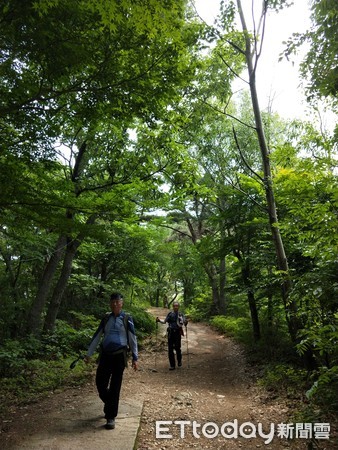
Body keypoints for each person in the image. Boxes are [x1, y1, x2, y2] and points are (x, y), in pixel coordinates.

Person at [84, 292, 138, 430]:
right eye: (113, 301)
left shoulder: (127, 318)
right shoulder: (106, 318)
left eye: (117, 301)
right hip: (105, 355)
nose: (115, 304)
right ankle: (110, 404)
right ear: (110, 303)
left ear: (122, 303)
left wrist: (135, 358)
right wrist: (89, 353)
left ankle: (110, 417)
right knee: (100, 382)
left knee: (115, 385)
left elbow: (132, 338)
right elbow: (97, 335)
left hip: (120, 356)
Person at [156, 301, 188, 370]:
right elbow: (164, 322)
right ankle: (172, 365)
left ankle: (179, 361)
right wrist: (159, 320)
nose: (176, 307)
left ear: (178, 307)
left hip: (177, 333)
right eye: (174, 306)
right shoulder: (170, 314)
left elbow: (184, 323)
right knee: (170, 349)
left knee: (177, 348)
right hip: (171, 333)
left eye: (177, 306)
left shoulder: (181, 314)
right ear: (173, 307)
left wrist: (186, 322)